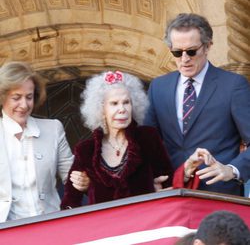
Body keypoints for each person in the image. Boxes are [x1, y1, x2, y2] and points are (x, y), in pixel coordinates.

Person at [144, 13, 250, 196]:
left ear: (208, 46)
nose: (184, 59)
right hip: (171, 193)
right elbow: (146, 143)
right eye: (177, 52)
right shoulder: (158, 86)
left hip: (219, 195)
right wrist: (147, 179)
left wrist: (232, 170)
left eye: (191, 51)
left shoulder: (233, 85)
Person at [61, 71, 174, 207]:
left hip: (145, 222)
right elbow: (69, 202)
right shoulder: (85, 150)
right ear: (101, 109)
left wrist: (158, 192)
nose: (122, 109)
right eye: (114, 103)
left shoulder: (148, 137)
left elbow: (169, 181)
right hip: (104, 225)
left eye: (126, 102)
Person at [0, 61, 88, 222]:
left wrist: (83, 181)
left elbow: (71, 175)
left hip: (50, 225)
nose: (24, 105)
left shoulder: (53, 129)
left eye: (29, 97)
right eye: (16, 98)